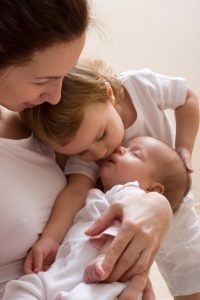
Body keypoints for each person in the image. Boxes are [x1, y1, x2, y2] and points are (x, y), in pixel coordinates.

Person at [0, 2, 172, 300]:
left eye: (63, 77)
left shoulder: (38, 124)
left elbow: (92, 190)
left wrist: (157, 206)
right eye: (43, 81)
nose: (55, 97)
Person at [21, 59, 200, 300]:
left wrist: (183, 150)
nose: (100, 153)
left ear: (108, 94)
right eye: (82, 152)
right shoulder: (86, 155)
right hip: (121, 224)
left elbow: (187, 98)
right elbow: (74, 192)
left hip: (177, 206)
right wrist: (50, 238)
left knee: (192, 276)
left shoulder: (138, 87)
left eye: (101, 135)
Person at [2, 136, 190, 300]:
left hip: (100, 281)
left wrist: (104, 258)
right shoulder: (100, 195)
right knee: (24, 288)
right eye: (126, 146)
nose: (121, 149)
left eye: (135, 154)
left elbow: (123, 230)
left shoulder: (133, 193)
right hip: (62, 274)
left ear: (153, 189)